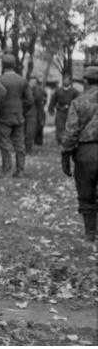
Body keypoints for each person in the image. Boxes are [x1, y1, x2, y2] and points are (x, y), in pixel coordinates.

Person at [60, 66, 98, 243]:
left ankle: (90, 233)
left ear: (85, 82)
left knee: (86, 191)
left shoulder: (78, 102)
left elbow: (71, 131)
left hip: (86, 153)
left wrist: (65, 155)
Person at [0, 55, 32, 177]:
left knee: (4, 144)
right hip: (18, 117)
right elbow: (30, 100)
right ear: (14, 65)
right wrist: (22, 110)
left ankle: (7, 170)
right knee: (20, 144)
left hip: (3, 117)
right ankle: (20, 170)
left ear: (3, 65)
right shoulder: (22, 80)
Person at [49, 74, 80, 145]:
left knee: (69, 127)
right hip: (60, 112)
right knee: (59, 127)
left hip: (70, 112)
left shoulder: (74, 91)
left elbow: (78, 101)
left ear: (70, 81)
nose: (65, 81)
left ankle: (68, 142)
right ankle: (59, 142)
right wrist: (51, 109)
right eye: (64, 80)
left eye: (67, 80)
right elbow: (53, 101)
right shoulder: (58, 91)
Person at [25, 77, 46, 153]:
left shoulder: (39, 91)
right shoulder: (24, 89)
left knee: (30, 132)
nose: (32, 84)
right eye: (31, 82)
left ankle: (28, 149)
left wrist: (41, 118)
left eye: (34, 82)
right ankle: (24, 148)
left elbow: (40, 105)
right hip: (23, 113)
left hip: (33, 113)